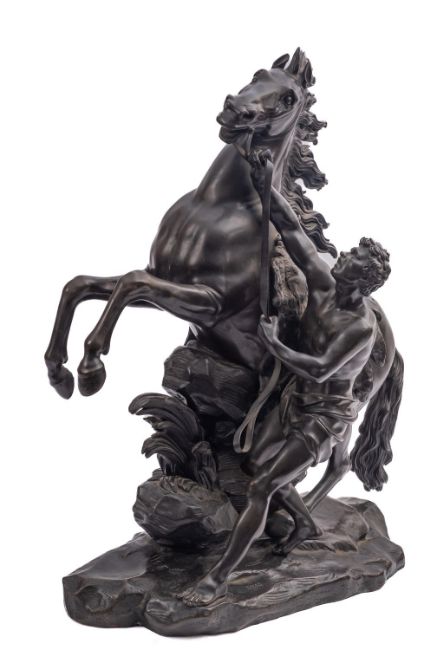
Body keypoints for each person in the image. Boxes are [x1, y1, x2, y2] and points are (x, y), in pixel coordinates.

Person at [182, 160, 391, 606]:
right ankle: (305, 523)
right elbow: (293, 231)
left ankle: (217, 580)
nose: (341, 257)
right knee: (255, 465)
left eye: (351, 259)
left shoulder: (359, 327)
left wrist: (274, 342)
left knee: (261, 487)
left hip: (323, 418)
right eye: (348, 254)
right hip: (294, 401)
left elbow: (319, 369)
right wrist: (267, 186)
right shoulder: (322, 284)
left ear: (363, 280)